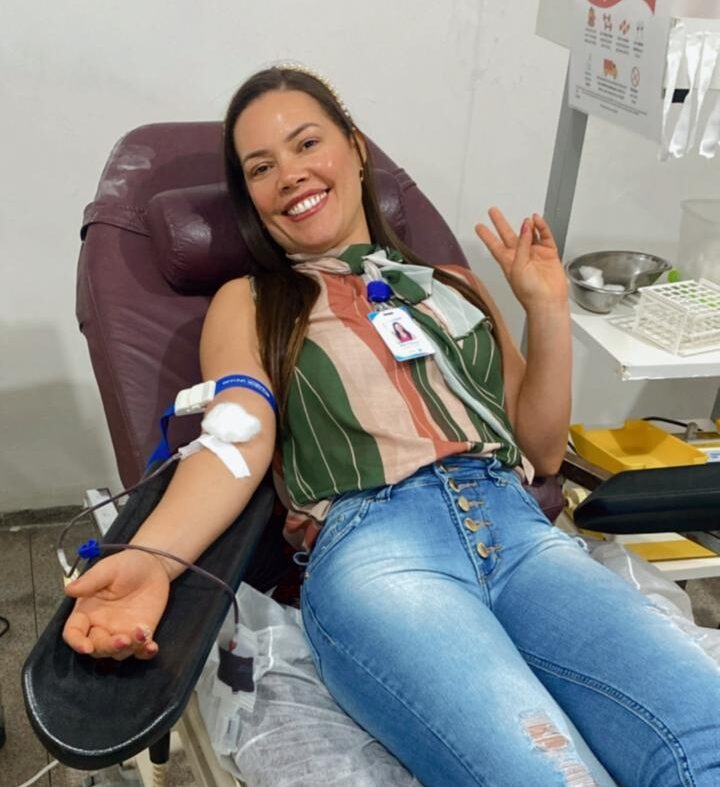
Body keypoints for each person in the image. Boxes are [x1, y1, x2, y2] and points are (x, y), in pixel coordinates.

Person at [62, 65, 720, 786]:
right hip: (380, 552)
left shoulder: (451, 285)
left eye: (307, 143)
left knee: (705, 739)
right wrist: (153, 557)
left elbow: (538, 446)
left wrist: (547, 310)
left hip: (521, 535)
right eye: (260, 167)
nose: (289, 174)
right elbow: (234, 441)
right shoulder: (249, 302)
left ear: (355, 148)